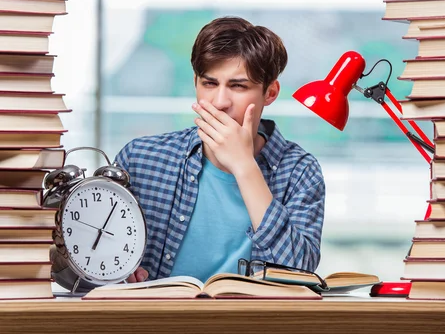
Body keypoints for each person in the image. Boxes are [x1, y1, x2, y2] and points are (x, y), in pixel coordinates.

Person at [114, 17, 326, 283]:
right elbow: (86, 257)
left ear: (270, 93)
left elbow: (301, 273)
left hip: (253, 323)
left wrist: (244, 166)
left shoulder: (299, 171)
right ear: (196, 83)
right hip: (156, 321)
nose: (220, 102)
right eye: (209, 84)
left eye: (238, 86)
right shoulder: (140, 159)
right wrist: (115, 272)